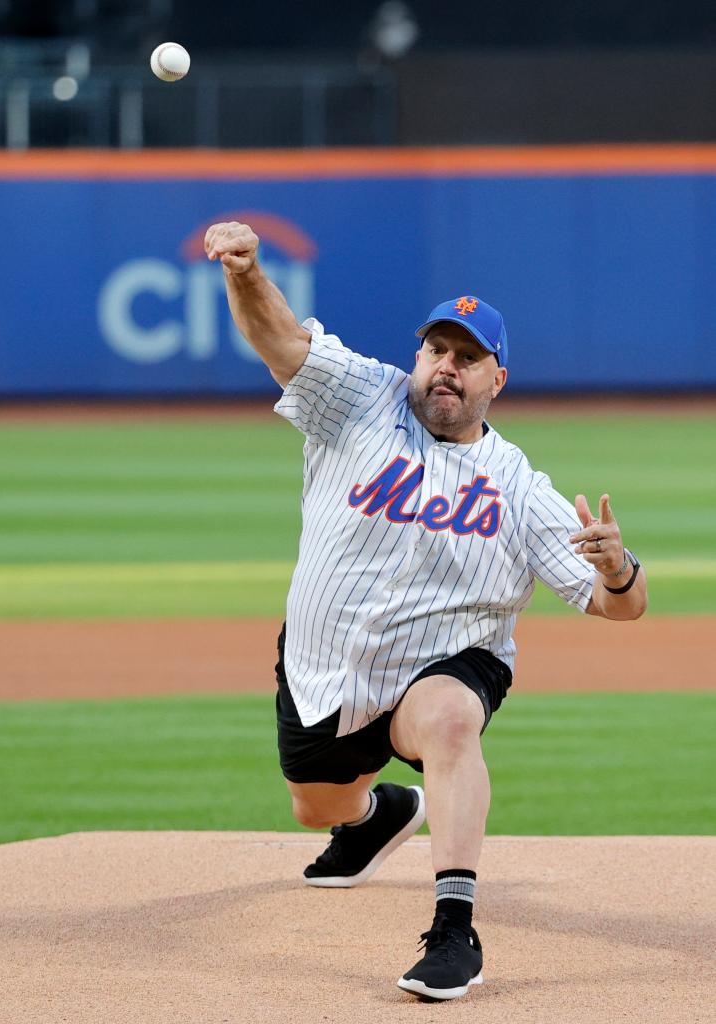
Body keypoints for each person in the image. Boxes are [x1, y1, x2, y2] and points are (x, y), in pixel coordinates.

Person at [204, 220, 648, 1002]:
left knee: (448, 720)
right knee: (318, 809)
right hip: (325, 663)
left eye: (467, 357)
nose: (447, 367)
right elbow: (280, 341)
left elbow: (623, 609)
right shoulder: (361, 398)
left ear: (495, 380)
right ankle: (378, 816)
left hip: (448, 660)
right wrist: (245, 274)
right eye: (436, 350)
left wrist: (618, 568)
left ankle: (454, 931)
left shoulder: (514, 483)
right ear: (417, 358)